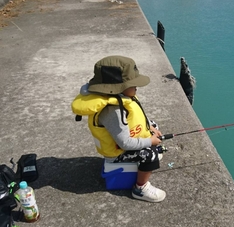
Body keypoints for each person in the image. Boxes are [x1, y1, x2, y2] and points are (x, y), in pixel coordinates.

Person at [71, 55, 166, 203]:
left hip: (124, 138)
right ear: (116, 88)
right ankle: (140, 188)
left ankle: (146, 151)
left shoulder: (121, 98)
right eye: (133, 84)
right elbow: (125, 144)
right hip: (118, 152)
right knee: (150, 155)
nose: (137, 87)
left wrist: (150, 127)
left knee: (153, 125)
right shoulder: (113, 110)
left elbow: (139, 116)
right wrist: (150, 142)